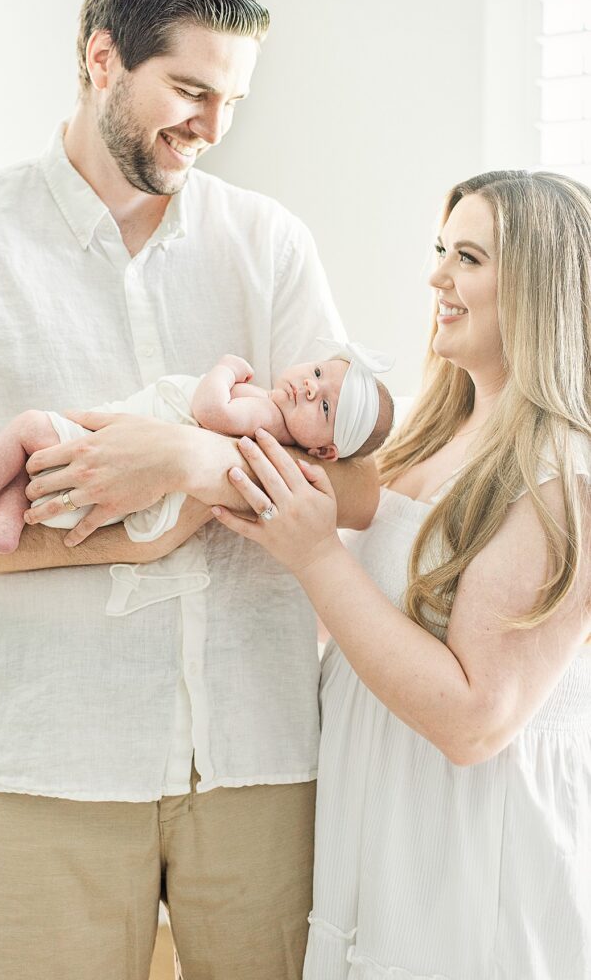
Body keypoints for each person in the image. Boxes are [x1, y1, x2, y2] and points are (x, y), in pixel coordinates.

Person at [0, 0, 379, 979]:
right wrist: (117, 525)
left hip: (258, 755)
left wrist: (190, 459)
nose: (213, 128)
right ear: (101, 59)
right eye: (191, 91)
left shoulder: (268, 244)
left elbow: (357, 486)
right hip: (43, 755)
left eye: (233, 101)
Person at [213, 170, 591, 980]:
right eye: (439, 250)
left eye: (467, 257)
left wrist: (314, 555)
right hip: (376, 825)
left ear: (538, 286)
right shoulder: (429, 434)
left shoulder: (562, 477)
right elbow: (365, 622)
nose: (436, 278)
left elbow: (473, 720)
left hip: (463, 864)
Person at [0, 344, 394, 554]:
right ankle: (7, 526)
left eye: (326, 405)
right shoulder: (278, 430)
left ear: (326, 451)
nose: (310, 390)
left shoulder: (265, 415)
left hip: (110, 461)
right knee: (29, 469)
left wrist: (225, 370)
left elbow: (210, 412)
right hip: (114, 478)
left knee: (28, 427)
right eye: (316, 373)